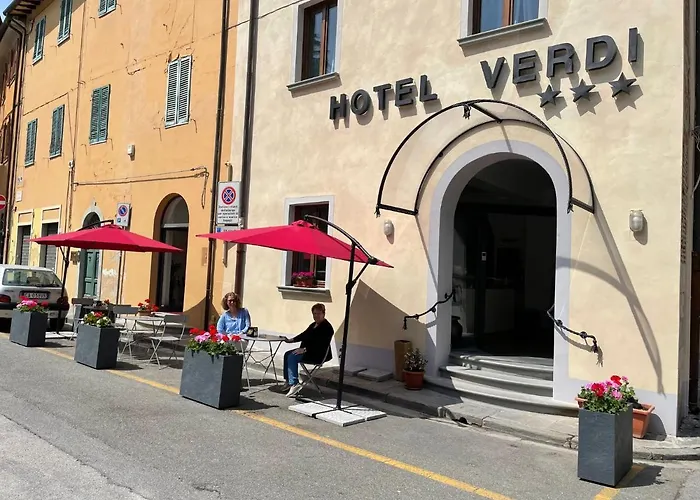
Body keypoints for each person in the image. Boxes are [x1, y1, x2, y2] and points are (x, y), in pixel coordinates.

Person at [282, 303, 334, 397]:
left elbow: (321, 344)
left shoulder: (327, 328)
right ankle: (289, 381)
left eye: (318, 313)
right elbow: (303, 335)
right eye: (314, 313)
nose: (316, 316)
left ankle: (294, 383)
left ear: (323, 314)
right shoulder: (313, 325)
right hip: (307, 351)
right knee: (287, 354)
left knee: (292, 356)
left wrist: (305, 349)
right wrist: (290, 340)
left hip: (317, 354)